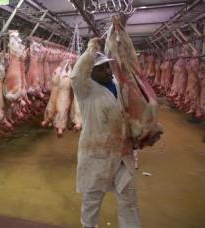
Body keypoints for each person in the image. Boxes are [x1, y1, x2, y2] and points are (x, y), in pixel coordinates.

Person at [70, 37, 140, 228]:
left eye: (108, 66)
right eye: (101, 68)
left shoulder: (116, 83)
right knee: (92, 200)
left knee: (129, 199)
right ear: (89, 72)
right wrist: (91, 49)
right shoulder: (85, 90)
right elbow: (76, 76)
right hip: (97, 153)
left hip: (122, 152)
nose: (108, 70)